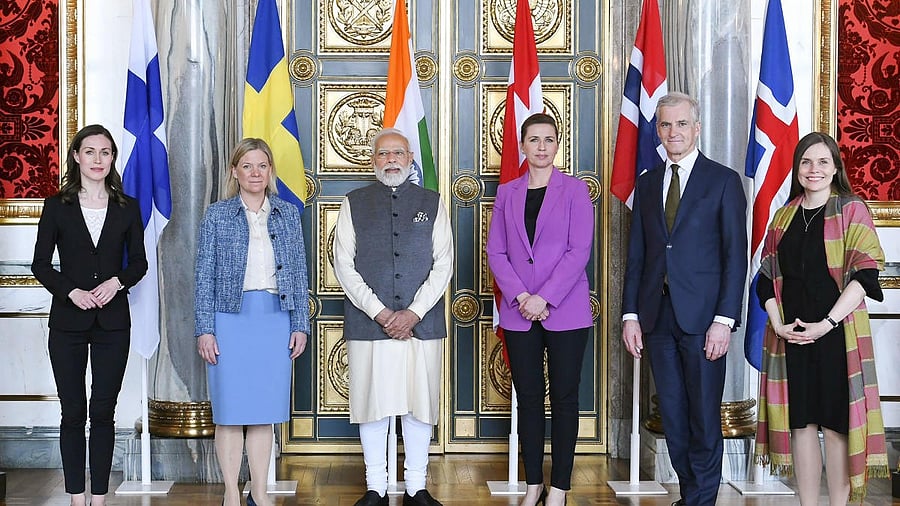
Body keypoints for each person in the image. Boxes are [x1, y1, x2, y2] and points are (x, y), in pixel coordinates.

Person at [621, 92, 747, 506]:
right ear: (657, 130)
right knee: (673, 417)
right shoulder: (647, 182)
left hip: (705, 321)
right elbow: (637, 254)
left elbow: (735, 257)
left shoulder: (723, 181)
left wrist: (724, 320)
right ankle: (692, 494)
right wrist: (631, 315)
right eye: (665, 125)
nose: (673, 132)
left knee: (703, 416)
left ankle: (701, 500)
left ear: (696, 128)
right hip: (658, 319)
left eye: (680, 124)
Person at [755, 132, 888, 504]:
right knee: (800, 426)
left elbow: (865, 277)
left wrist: (827, 323)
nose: (814, 170)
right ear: (797, 169)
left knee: (835, 428)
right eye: (806, 162)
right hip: (792, 336)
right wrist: (779, 324)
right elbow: (765, 281)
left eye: (822, 162)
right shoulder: (784, 216)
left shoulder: (851, 209)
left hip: (836, 336)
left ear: (835, 168)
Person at [332, 128, 453, 506]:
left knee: (420, 404)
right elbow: (343, 265)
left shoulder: (432, 202)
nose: (391, 160)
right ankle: (376, 488)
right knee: (373, 404)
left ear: (410, 157)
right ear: (373, 161)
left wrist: (414, 313)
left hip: (423, 325)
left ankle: (416, 487)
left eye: (398, 153)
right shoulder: (354, 202)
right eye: (383, 154)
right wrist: (382, 312)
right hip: (370, 324)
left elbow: (444, 263)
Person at [31, 124, 148, 506]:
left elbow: (140, 263)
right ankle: (75, 498)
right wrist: (72, 291)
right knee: (72, 412)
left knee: (103, 411)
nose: (98, 160)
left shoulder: (127, 207)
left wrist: (117, 282)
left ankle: (99, 498)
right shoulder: (56, 206)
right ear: (77, 157)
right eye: (91, 152)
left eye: (106, 153)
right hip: (67, 323)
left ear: (113, 159)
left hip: (113, 323)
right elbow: (41, 265)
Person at [485, 113, 594, 506]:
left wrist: (544, 298)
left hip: (564, 310)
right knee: (528, 399)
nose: (542, 146)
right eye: (534, 140)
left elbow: (578, 251)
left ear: (557, 143)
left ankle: (560, 488)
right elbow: (495, 251)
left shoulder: (575, 191)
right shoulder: (507, 193)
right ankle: (534, 485)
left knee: (564, 398)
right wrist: (521, 297)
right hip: (518, 311)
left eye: (549, 139)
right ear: (523, 145)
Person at [194, 138, 310, 506]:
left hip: (274, 318)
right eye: (247, 166)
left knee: (263, 412)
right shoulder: (217, 215)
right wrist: (205, 328)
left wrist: (300, 324)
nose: (255, 172)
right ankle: (231, 492)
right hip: (229, 319)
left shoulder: (287, 214)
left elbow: (299, 272)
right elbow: (203, 276)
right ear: (235, 171)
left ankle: (259, 493)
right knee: (229, 413)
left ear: (270, 171)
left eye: (262, 165)